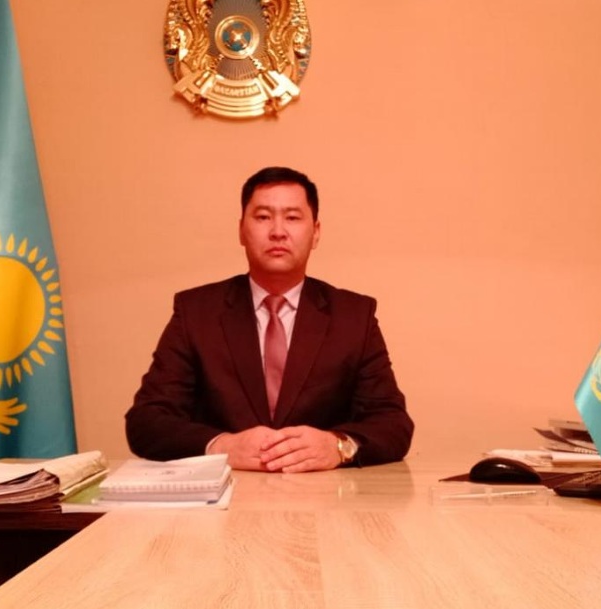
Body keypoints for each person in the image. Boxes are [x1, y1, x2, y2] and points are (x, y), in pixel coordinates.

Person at [125, 166, 413, 472]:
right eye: (263, 217)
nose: (278, 231)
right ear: (241, 230)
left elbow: (393, 424)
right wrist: (221, 447)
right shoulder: (196, 312)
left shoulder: (353, 316)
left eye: (292, 217)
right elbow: (146, 422)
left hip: (323, 493)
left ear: (315, 232)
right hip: (226, 493)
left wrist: (338, 446)